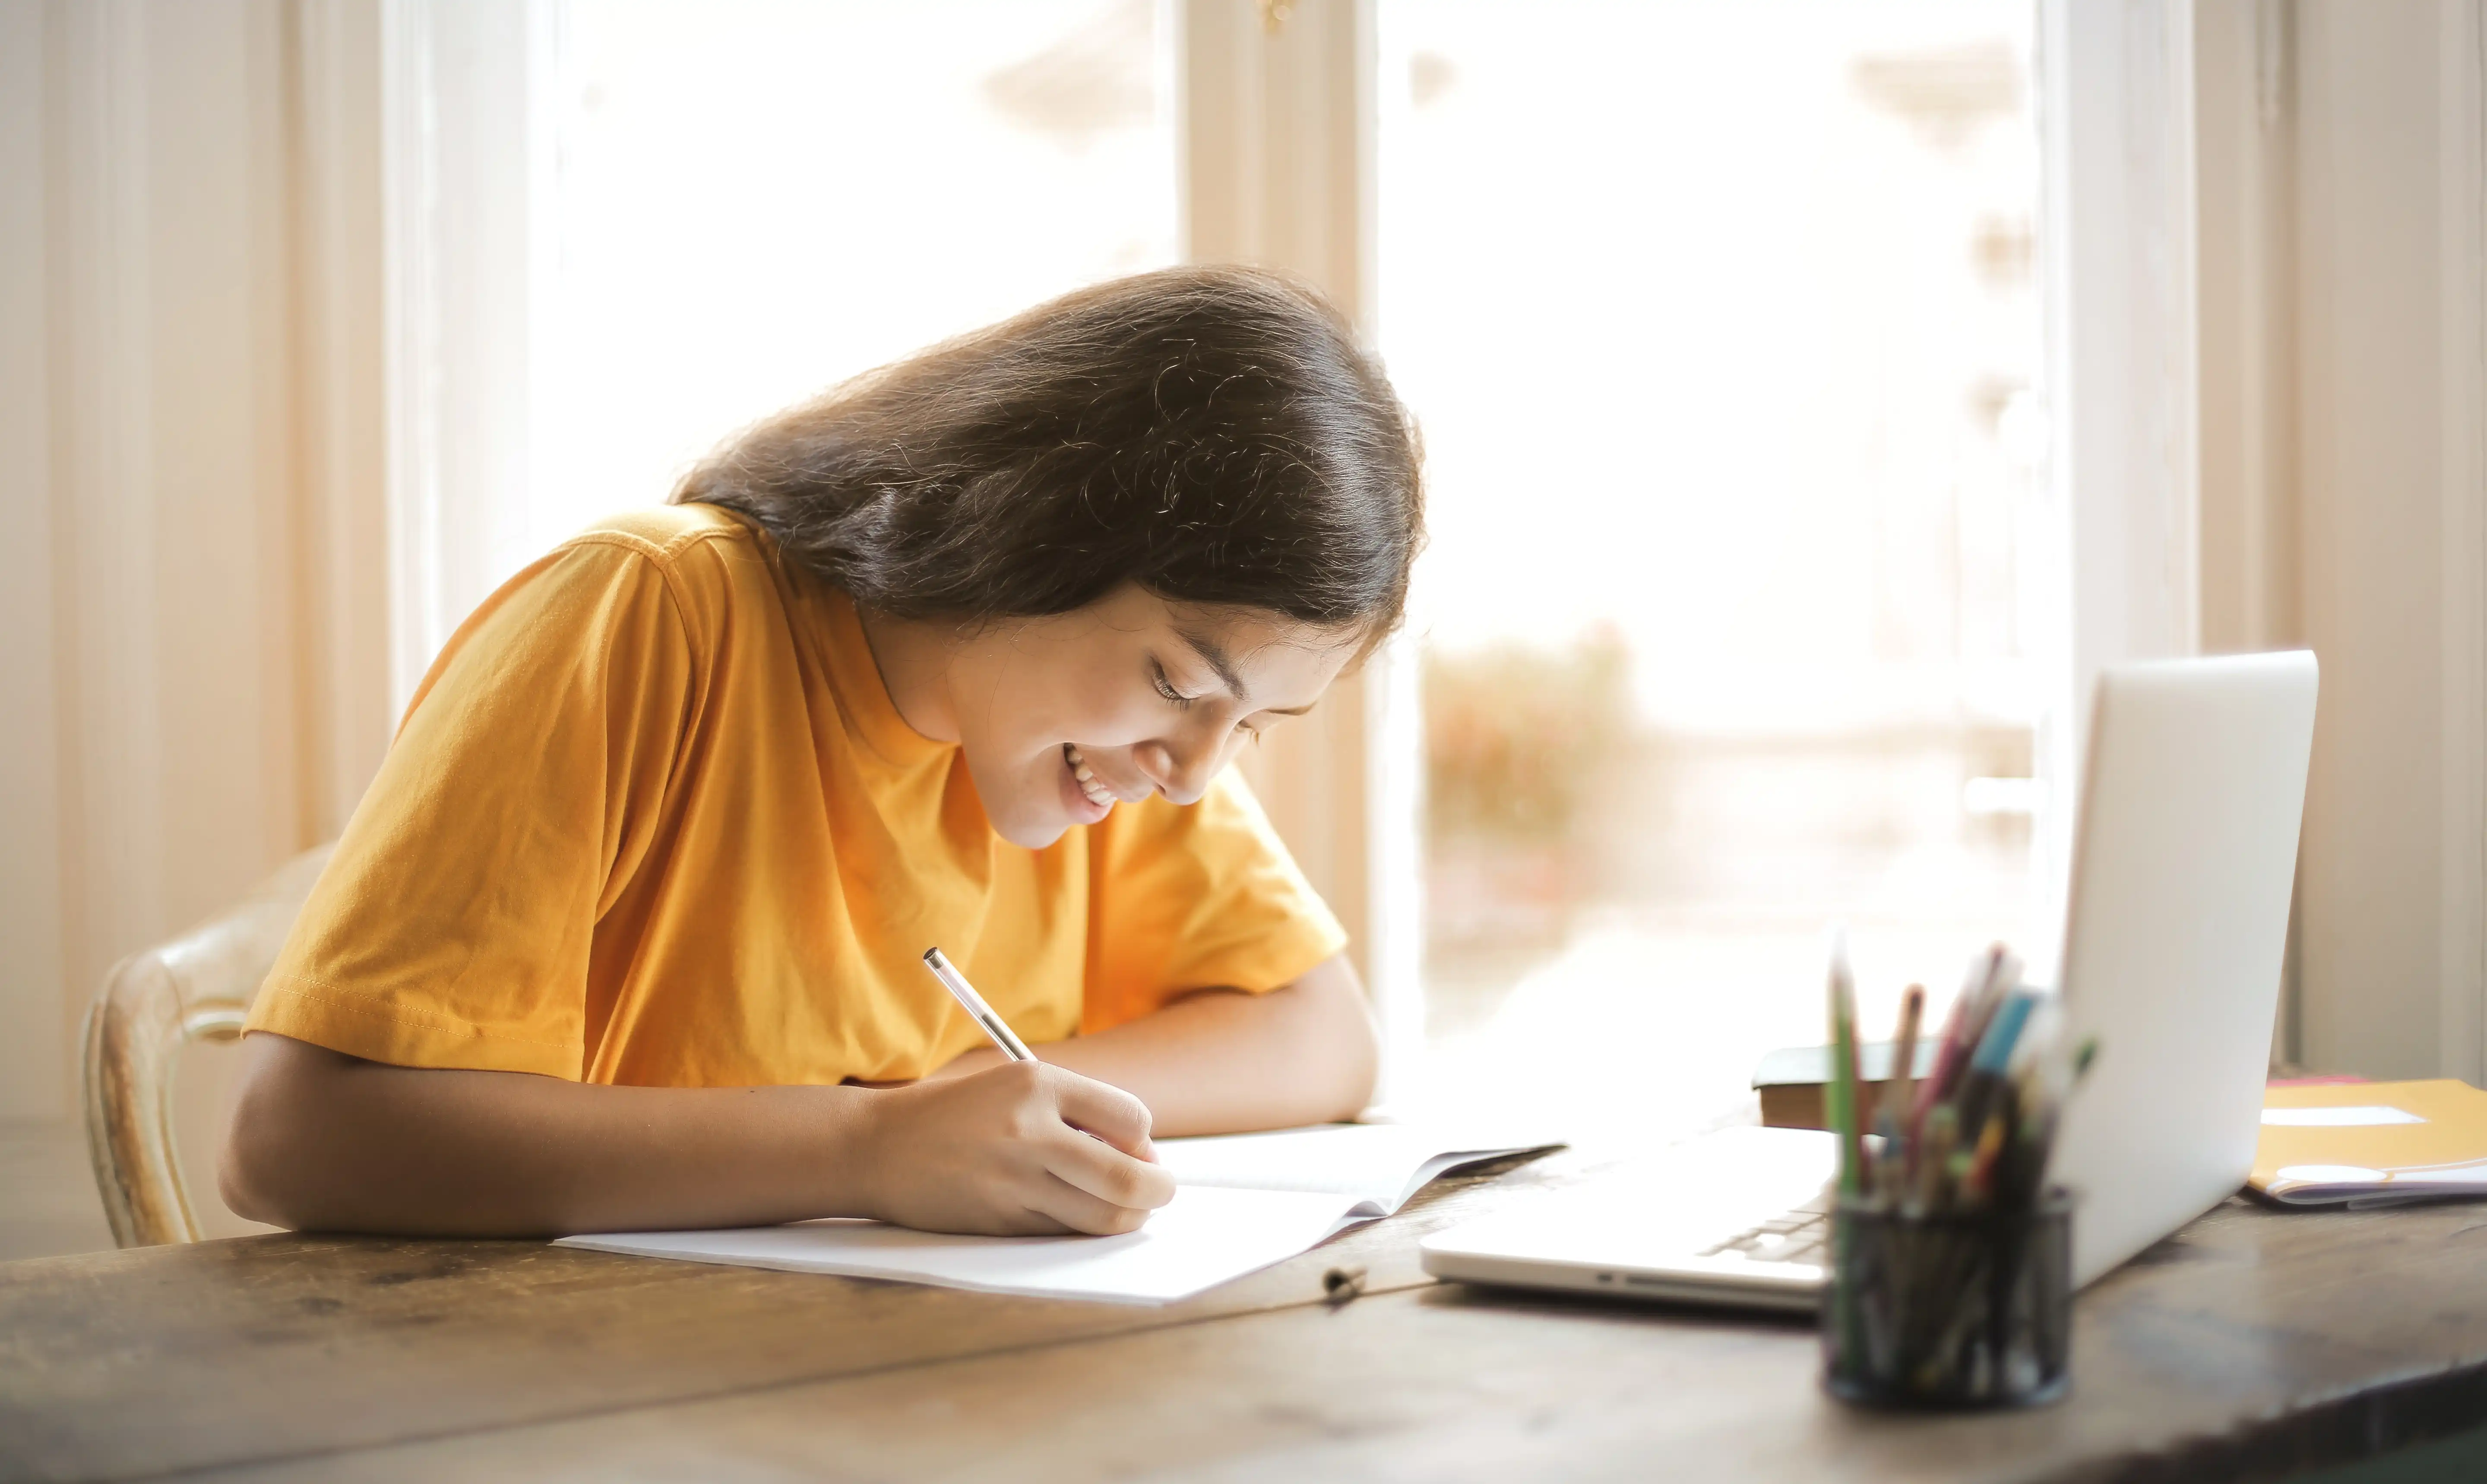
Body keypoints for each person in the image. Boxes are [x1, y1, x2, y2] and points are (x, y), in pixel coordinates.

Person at [218, 265, 1424, 1243]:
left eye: (1252, 724)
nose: (1198, 773)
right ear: (1027, 532)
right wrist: (868, 1150)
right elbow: (293, 1137)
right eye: (1178, 681)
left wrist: (978, 1109)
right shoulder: (650, 613)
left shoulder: (1112, 749)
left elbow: (1324, 1035)